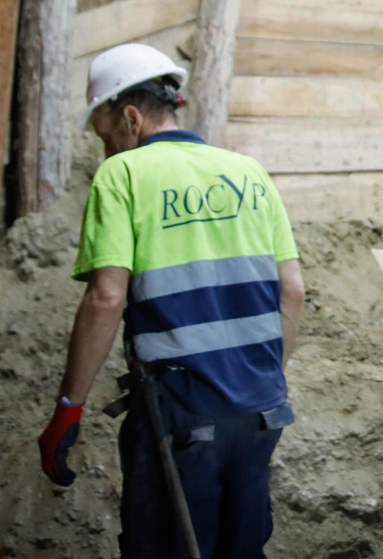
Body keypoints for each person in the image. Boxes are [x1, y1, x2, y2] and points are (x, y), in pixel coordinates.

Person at [38, 43, 307, 559]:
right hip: (261, 410)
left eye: (106, 137)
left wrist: (68, 411)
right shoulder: (249, 172)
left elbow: (105, 298)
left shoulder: (124, 176)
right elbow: (292, 290)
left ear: (132, 117)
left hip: (180, 418)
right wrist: (262, 381)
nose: (106, 152)